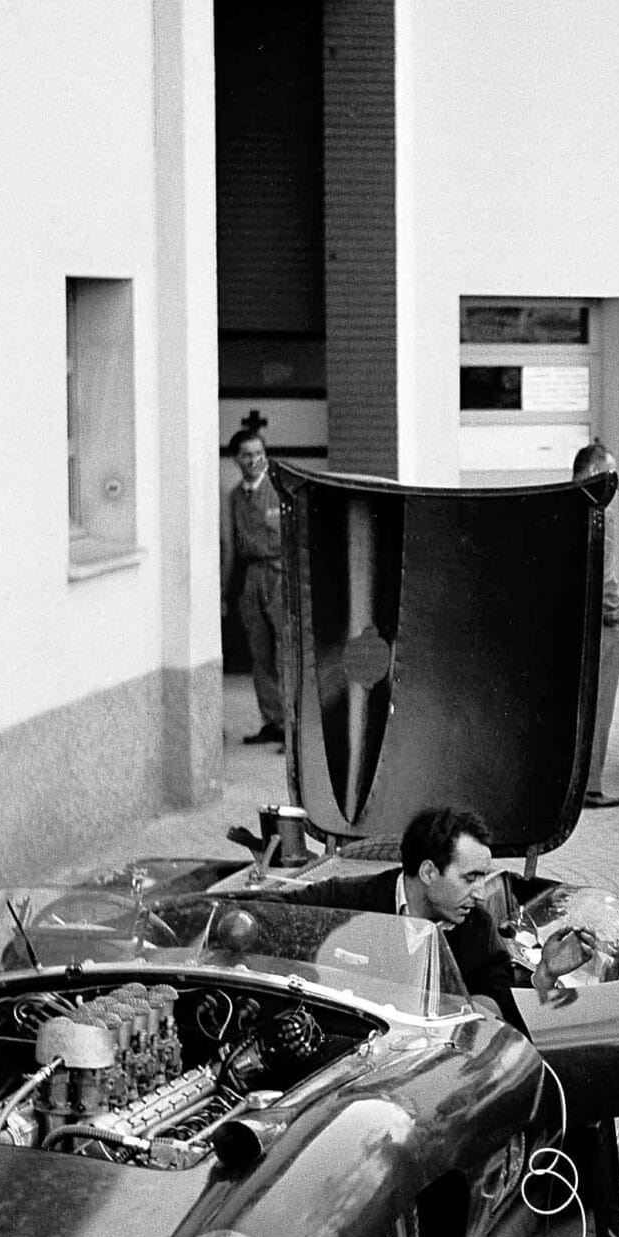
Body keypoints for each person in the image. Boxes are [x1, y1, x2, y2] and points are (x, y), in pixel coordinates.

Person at [289, 803, 530, 1028]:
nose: (479, 892)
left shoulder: (477, 925)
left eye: (482, 877)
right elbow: (267, 912)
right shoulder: (344, 899)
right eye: (470, 878)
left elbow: (498, 991)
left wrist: (458, 1012)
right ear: (428, 872)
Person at [572, 440, 619, 808]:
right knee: (598, 709)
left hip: (572, 627)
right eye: (612, 475)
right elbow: (606, 591)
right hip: (599, 631)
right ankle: (590, 787)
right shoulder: (598, 517)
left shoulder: (563, 508)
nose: (616, 485)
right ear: (595, 474)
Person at [223, 429, 287, 747]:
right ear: (236, 458)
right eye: (247, 455)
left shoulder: (279, 490)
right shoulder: (235, 497)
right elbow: (231, 547)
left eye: (259, 453)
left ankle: (295, 728)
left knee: (285, 651)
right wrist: (226, 592)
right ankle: (273, 720)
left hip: (279, 573)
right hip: (251, 577)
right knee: (259, 652)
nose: (255, 460)